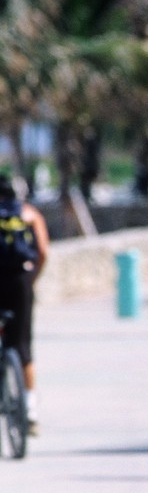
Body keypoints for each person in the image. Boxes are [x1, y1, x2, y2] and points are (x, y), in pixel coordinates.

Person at [0, 173, 49, 433]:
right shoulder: (29, 214)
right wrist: (32, 279)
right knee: (22, 344)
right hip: (21, 281)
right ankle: (30, 411)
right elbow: (43, 251)